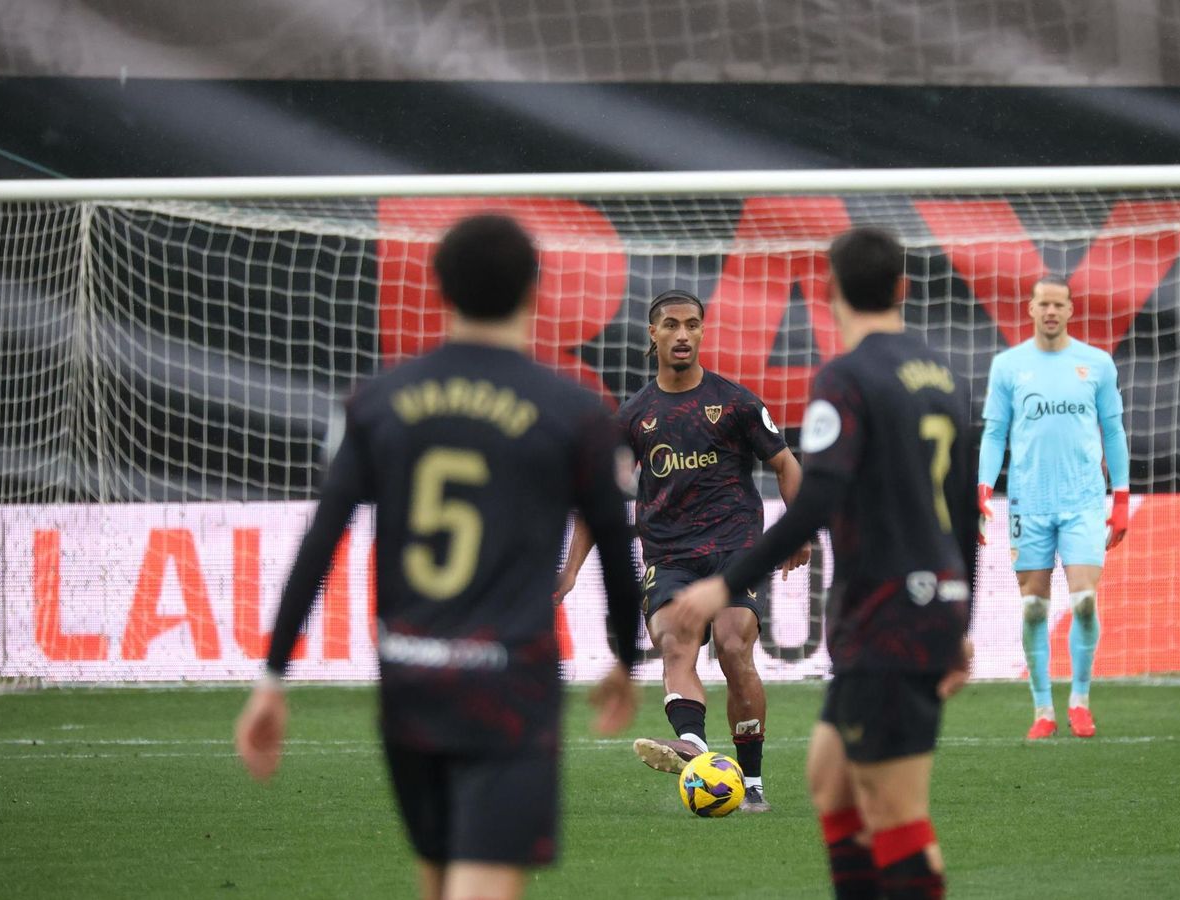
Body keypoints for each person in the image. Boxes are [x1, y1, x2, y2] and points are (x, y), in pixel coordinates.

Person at [234, 215, 644, 900]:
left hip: (411, 679)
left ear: (439, 291)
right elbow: (612, 542)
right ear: (535, 293)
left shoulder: (379, 400)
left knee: (437, 882)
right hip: (509, 682)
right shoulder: (574, 410)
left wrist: (274, 674)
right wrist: (626, 658)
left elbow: (322, 539)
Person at [670, 226, 977, 899]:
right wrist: (963, 615)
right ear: (903, 287)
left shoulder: (847, 377)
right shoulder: (941, 373)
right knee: (829, 778)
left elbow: (817, 505)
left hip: (889, 614)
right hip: (926, 605)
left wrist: (725, 582)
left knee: (895, 809)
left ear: (831, 292)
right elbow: (964, 508)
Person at [555, 288, 809, 814]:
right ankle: (693, 743)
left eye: (692, 325)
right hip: (669, 555)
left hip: (734, 549)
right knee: (674, 639)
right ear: (653, 334)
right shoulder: (632, 417)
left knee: (735, 646)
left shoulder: (736, 402)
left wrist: (799, 530)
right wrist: (571, 569)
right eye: (671, 325)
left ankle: (752, 780)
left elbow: (785, 463)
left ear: (701, 331)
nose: (682, 335)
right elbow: (599, 499)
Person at [977, 275, 1129, 740]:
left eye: (1058, 304)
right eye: (1042, 303)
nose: (1050, 311)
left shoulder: (1096, 364)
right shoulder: (1009, 366)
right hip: (1029, 502)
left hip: (1084, 500)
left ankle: (1079, 700)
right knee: (1035, 609)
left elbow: (1114, 431)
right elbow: (994, 433)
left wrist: (1120, 496)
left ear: (1070, 309)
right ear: (1030, 309)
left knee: (1084, 601)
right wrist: (983, 488)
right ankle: (1043, 709)